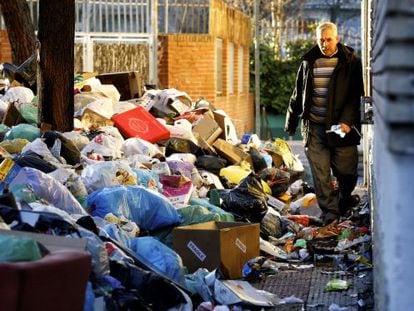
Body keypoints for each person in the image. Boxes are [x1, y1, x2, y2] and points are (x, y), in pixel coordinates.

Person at [284, 22, 364, 225]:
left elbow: (356, 95)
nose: (325, 44)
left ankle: (344, 199)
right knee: (321, 175)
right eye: (321, 40)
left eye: (329, 39)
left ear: (337, 39)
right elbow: (298, 93)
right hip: (314, 128)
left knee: (347, 172)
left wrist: (347, 121)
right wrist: (291, 122)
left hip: (341, 129)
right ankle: (331, 215)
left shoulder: (351, 62)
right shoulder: (309, 62)